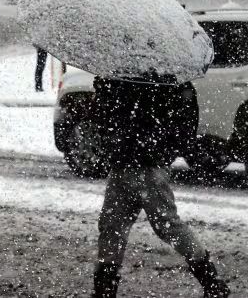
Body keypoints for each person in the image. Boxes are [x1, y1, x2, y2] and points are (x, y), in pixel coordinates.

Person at [91, 75, 229, 298]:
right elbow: (184, 125)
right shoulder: (157, 79)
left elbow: (108, 119)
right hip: (129, 164)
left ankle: (211, 282)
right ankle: (210, 280)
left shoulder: (146, 79)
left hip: (143, 165)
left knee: (157, 226)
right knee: (115, 226)